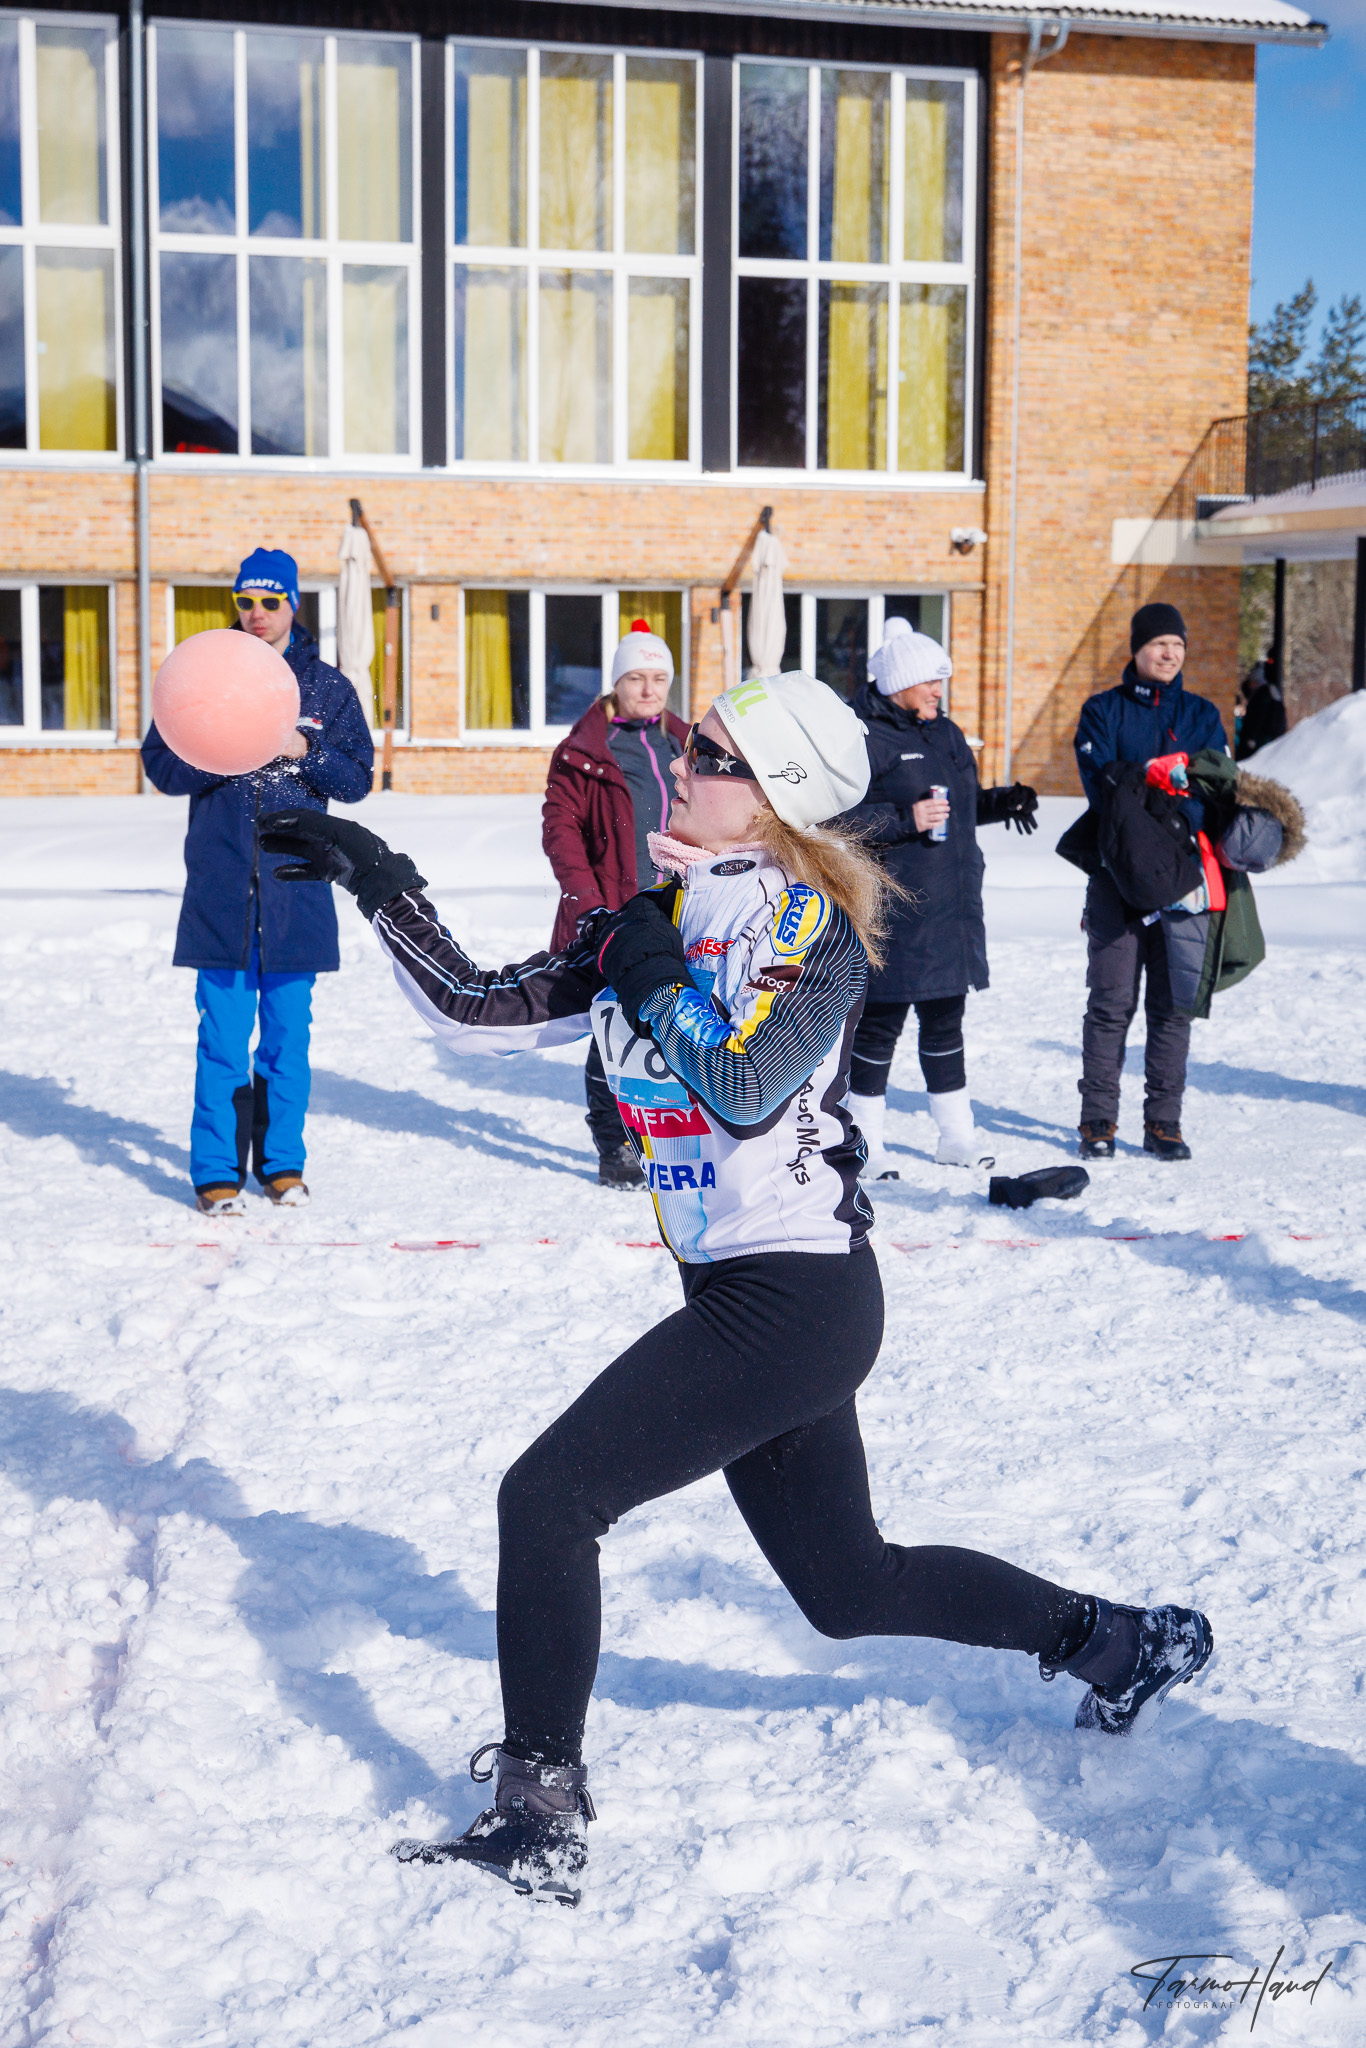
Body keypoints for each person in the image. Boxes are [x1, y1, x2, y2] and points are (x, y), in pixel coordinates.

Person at [260, 671, 1214, 1910]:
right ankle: (1120, 1642)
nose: (680, 763)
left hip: (797, 1301)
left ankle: (538, 1816)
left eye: (710, 754)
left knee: (547, 1500)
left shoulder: (813, 930)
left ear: (772, 798)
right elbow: (477, 1010)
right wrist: (379, 878)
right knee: (848, 1588)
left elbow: (747, 1084)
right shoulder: (650, 916)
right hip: (740, 1294)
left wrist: (652, 969)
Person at [142, 547, 373, 1214]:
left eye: (271, 601)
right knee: (221, 1042)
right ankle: (216, 1173)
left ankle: (282, 1167)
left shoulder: (324, 688)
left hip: (296, 893)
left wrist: (304, 749)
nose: (257, 613)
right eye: (246, 601)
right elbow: (162, 767)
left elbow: (356, 780)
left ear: (293, 605)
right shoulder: (204, 675)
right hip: (221, 896)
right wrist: (224, 743)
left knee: (286, 1043)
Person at [839, 622, 1038, 1175]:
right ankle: (866, 1142)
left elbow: (957, 808)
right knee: (879, 1027)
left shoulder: (946, 733)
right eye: (929, 681)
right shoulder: (864, 738)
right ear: (899, 683)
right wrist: (907, 819)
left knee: (947, 1022)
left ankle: (956, 1137)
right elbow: (836, 822)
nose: (938, 691)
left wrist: (1003, 801)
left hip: (952, 908)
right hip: (895, 910)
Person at [1072, 601, 1229, 1162]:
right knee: (1110, 1003)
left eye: (1178, 645)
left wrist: (1169, 809)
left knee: (1172, 1006)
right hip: (1115, 877)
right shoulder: (1102, 711)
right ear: (1137, 649)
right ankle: (1098, 1121)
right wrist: (1154, 782)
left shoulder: (1202, 714)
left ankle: (1164, 1123)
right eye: (1159, 643)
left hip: (1182, 879)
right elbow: (1102, 787)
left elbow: (1215, 787)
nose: (1169, 654)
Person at [542, 623, 688, 1187]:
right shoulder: (585, 750)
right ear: (616, 683)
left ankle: (669, 1132)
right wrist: (589, 907)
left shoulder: (687, 743)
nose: (649, 690)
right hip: (616, 911)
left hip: (682, 909)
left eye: (659, 679)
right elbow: (561, 833)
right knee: (617, 1028)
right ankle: (615, 1144)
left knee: (678, 1021)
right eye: (636, 679)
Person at [1236, 650, 1287, 761]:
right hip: (1270, 736)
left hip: (1262, 737)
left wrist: (1252, 737)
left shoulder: (1262, 694)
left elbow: (1259, 716)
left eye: (1251, 682)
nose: (1250, 685)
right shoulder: (1272, 691)